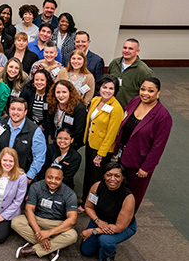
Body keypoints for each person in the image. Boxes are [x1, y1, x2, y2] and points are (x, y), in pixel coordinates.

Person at [113, 77, 172, 212]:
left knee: (134, 193)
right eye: (143, 89)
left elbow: (158, 146)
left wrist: (146, 167)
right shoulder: (135, 101)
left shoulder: (163, 116)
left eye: (150, 91)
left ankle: (127, 220)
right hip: (123, 155)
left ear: (158, 93)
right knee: (119, 185)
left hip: (139, 162)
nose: (145, 93)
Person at [12, 165, 78, 261]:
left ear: (62, 179)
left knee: (72, 235)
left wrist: (49, 233)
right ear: (45, 176)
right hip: (37, 220)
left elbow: (72, 220)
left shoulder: (69, 194)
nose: (53, 181)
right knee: (16, 222)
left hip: (57, 224)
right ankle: (53, 246)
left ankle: (34, 249)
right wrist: (38, 231)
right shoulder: (36, 186)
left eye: (57, 179)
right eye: (49, 177)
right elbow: (29, 210)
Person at [80, 163, 137, 261]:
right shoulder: (97, 187)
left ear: (123, 178)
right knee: (86, 251)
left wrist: (93, 231)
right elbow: (88, 207)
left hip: (121, 226)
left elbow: (119, 227)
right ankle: (100, 243)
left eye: (117, 176)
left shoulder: (128, 198)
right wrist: (98, 221)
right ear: (104, 176)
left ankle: (109, 254)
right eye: (109, 175)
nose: (112, 179)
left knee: (105, 240)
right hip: (100, 220)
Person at [82, 75, 124, 206]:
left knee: (96, 179)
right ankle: (84, 200)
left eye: (111, 88)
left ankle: (91, 205)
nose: (107, 91)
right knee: (88, 174)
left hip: (102, 150)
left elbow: (111, 135)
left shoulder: (116, 109)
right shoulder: (96, 101)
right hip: (90, 144)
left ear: (115, 90)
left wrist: (100, 155)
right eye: (104, 87)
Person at [0, 97, 47, 181]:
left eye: (19, 110)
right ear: (9, 110)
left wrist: (28, 177)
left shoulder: (35, 131)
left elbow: (39, 157)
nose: (15, 112)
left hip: (19, 174)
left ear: (25, 112)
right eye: (13, 109)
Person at [107, 38, 154, 107]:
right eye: (125, 48)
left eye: (130, 49)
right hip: (110, 105)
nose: (126, 51)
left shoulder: (144, 71)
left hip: (129, 109)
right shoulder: (114, 63)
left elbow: (151, 95)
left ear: (137, 51)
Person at [45, 80, 87, 147]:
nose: (61, 95)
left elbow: (79, 131)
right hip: (56, 141)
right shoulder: (53, 104)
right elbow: (49, 122)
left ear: (70, 93)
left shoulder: (79, 108)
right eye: (58, 92)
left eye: (64, 92)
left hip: (73, 144)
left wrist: (66, 144)